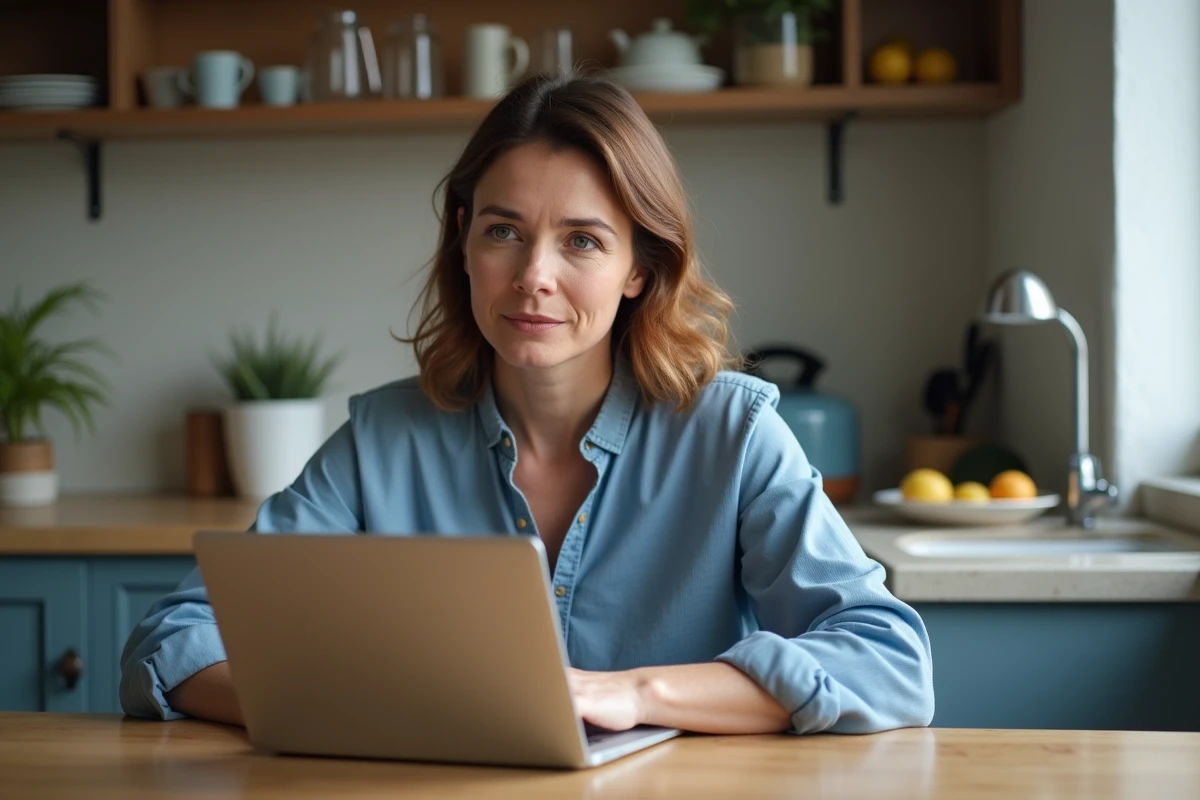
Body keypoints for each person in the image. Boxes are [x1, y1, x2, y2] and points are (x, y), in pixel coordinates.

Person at [120, 72, 934, 735]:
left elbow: (889, 662)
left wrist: (637, 695)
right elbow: (172, 643)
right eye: (504, 231)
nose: (532, 275)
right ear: (466, 243)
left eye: (583, 240)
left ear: (640, 269)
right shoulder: (381, 441)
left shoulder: (733, 433)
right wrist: (374, 713)